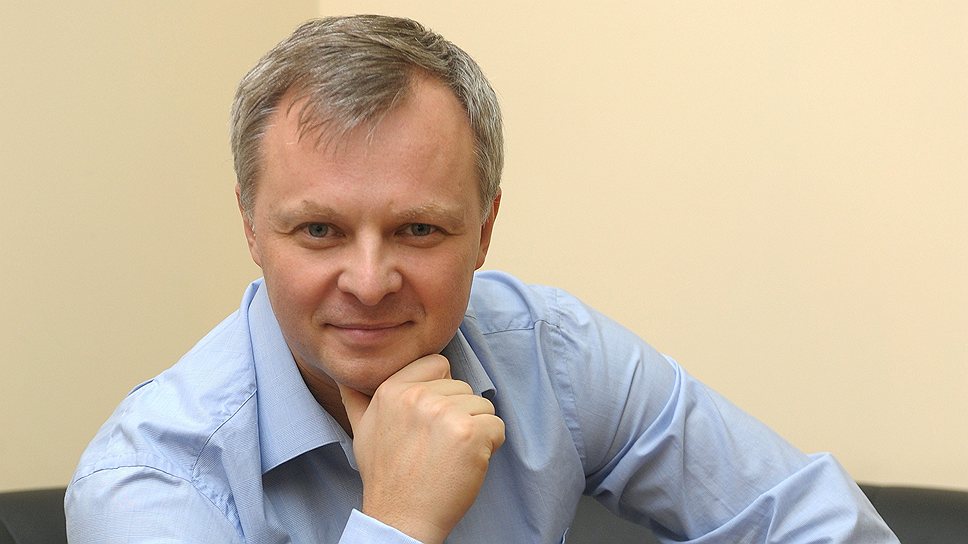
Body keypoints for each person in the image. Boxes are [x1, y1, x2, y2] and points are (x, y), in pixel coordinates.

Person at [65, 15, 899, 543]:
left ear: (485, 230)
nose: (369, 281)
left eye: (417, 230)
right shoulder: (149, 483)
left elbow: (819, 523)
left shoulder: (550, 354)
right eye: (319, 231)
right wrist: (397, 522)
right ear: (251, 226)